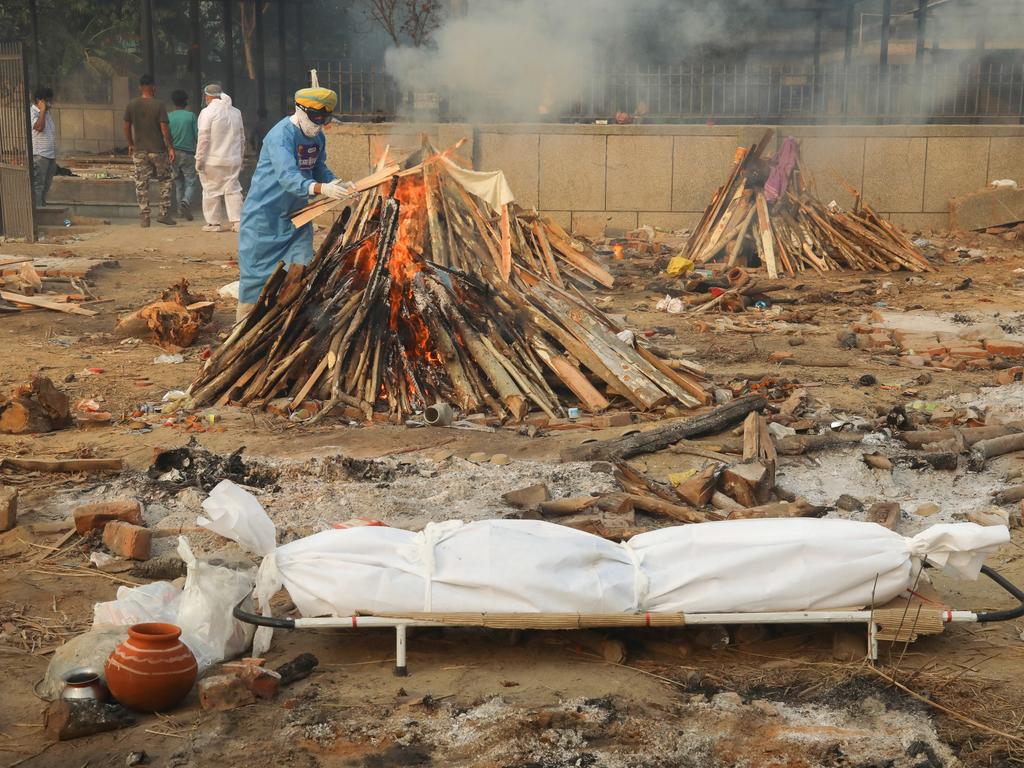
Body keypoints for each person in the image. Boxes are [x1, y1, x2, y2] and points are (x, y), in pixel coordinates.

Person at [235, 87, 353, 321]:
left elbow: (318, 167)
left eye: (324, 118)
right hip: (264, 218)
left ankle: (289, 323)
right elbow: (288, 177)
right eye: (315, 117)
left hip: (297, 218)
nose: (319, 123)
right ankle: (243, 326)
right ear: (300, 110)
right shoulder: (280, 136)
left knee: (301, 269)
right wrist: (320, 188)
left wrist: (336, 183)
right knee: (256, 278)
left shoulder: (317, 136)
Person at [123, 74, 175, 227]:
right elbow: (164, 128)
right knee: (165, 181)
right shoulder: (159, 105)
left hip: (140, 151)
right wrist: (170, 147)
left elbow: (126, 126)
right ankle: (163, 214)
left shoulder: (131, 105)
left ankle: (145, 217)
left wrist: (130, 143)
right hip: (158, 150)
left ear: (140, 87)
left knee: (141, 183)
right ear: (154, 87)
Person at [195, 83, 245, 233]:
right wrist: (240, 157)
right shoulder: (236, 112)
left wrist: (199, 159)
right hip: (233, 159)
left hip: (212, 160)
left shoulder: (207, 112)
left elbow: (203, 137)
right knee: (233, 190)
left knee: (210, 190)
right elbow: (242, 138)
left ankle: (213, 224)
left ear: (207, 96)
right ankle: (238, 222)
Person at [168, 89, 199, 221]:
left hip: (173, 153)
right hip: (188, 154)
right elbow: (198, 135)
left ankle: (180, 211)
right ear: (186, 101)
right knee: (191, 181)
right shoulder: (191, 116)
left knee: (178, 183)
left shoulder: (168, 116)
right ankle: (185, 201)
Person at [30, 86, 56, 208]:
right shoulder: (33, 112)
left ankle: (43, 208)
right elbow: (39, 127)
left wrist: (44, 111)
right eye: (48, 100)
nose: (50, 103)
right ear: (39, 101)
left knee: (46, 185)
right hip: (39, 156)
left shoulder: (47, 113)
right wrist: (42, 110)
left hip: (50, 156)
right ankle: (38, 212)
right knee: (38, 185)